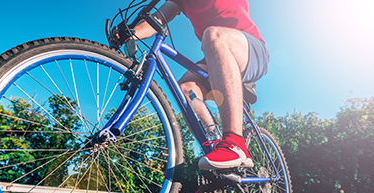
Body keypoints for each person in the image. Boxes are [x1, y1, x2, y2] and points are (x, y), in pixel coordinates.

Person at [114, 0, 269, 171]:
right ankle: (215, 144)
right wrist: (131, 33)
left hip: (251, 49)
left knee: (213, 35)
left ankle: (234, 142)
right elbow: (156, 20)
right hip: (216, 55)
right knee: (186, 89)